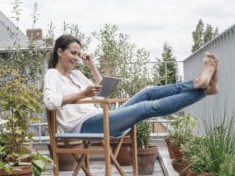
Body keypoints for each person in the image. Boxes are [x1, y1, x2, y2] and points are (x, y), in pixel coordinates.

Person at [43, 34, 218, 137]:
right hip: (85, 126)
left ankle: (202, 86)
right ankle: (202, 88)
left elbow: (101, 93)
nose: (76, 57)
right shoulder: (52, 75)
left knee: (148, 91)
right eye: (73, 53)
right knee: (144, 107)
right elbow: (50, 102)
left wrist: (92, 66)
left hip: (102, 117)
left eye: (78, 54)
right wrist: (83, 94)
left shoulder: (77, 75)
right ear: (60, 51)